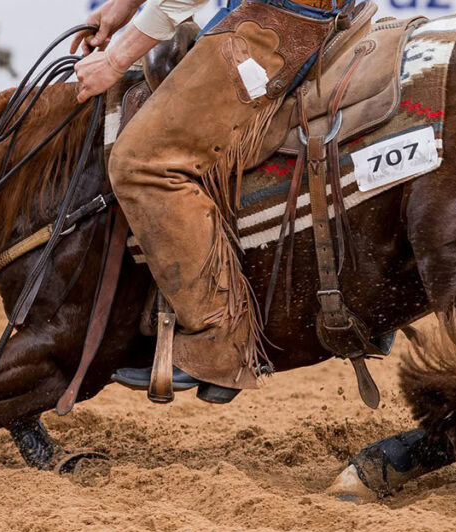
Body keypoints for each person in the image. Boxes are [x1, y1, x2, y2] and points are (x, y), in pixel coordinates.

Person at [73, 0, 351, 402]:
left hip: (279, 16)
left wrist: (115, 59)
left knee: (141, 163)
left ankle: (220, 344)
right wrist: (123, 6)